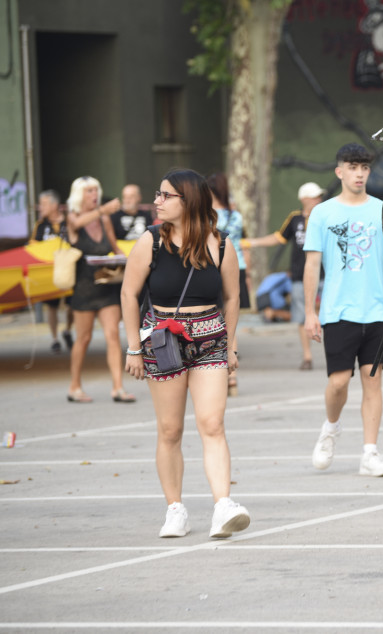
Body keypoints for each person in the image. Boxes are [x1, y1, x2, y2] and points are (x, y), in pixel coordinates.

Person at [120, 168, 249, 539]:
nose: (157, 202)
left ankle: (223, 505)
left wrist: (232, 344)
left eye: (165, 195)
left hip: (211, 338)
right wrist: (132, 347)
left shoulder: (221, 243)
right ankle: (175, 509)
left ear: (187, 200)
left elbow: (233, 296)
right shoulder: (151, 242)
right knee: (170, 429)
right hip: (163, 341)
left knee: (212, 423)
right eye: (157, 195)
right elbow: (129, 294)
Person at [303, 143, 383, 477]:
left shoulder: (381, 210)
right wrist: (309, 312)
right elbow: (312, 264)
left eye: (364, 167)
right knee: (338, 382)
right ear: (340, 172)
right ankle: (331, 427)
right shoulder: (322, 213)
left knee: (372, 380)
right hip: (337, 311)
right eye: (352, 167)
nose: (359, 173)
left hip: (377, 311)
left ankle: (370, 453)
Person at [63, 175, 135, 404]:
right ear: (79, 195)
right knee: (83, 338)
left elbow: (115, 248)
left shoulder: (104, 220)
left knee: (113, 335)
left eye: (96, 190)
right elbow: (75, 225)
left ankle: (118, 387)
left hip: (106, 285)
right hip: (84, 288)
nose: (94, 195)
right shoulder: (73, 217)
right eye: (89, 191)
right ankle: (74, 386)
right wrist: (104, 210)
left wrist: (127, 263)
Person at [243, 182, 325, 370]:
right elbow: (278, 238)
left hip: (325, 275)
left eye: (319, 197)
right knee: (301, 316)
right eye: (315, 197)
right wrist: (251, 243)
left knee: (331, 315)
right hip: (299, 276)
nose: (318, 200)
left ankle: (336, 353)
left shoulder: (325, 217)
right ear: (304, 199)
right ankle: (307, 356)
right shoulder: (295, 219)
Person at [206, 173, 248, 396]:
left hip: (218, 267)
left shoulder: (208, 217)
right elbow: (242, 243)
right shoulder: (237, 216)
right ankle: (232, 376)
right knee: (231, 318)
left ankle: (220, 371)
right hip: (238, 266)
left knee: (215, 318)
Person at [31, 190, 73, 352]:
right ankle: (55, 339)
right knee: (52, 306)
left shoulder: (69, 222)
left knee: (72, 306)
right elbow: (33, 247)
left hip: (69, 270)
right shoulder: (41, 225)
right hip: (49, 272)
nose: (40, 208)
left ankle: (67, 330)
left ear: (55, 205)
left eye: (44, 204)